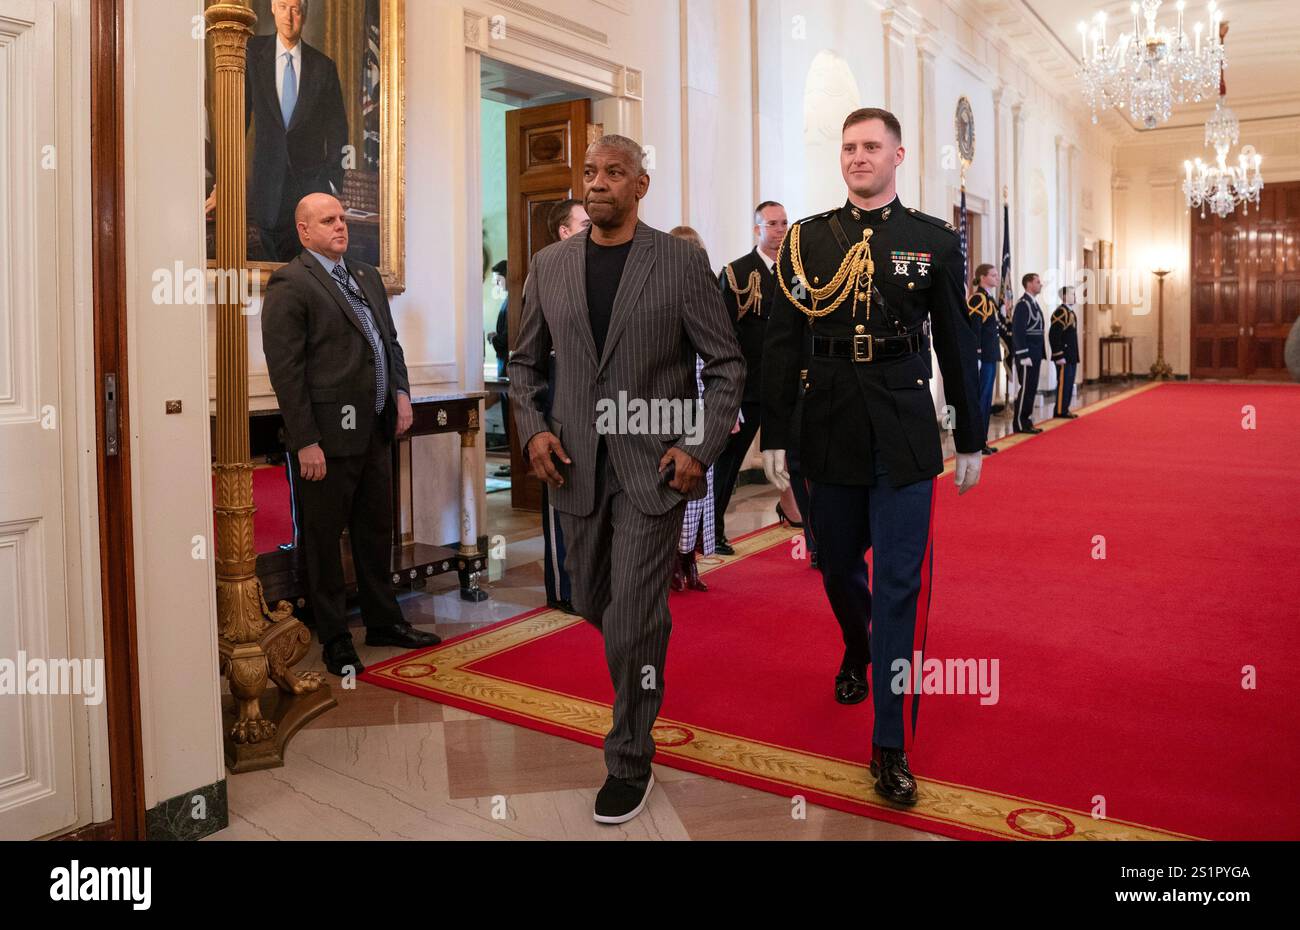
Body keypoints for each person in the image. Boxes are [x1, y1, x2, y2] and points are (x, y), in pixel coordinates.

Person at [509, 135, 743, 824]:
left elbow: (726, 364)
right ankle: (643, 636)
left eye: (614, 173)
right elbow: (523, 366)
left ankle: (629, 757)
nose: (598, 183)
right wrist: (535, 430)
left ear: (640, 186)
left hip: (653, 469)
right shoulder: (550, 266)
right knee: (596, 605)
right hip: (575, 467)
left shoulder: (678, 261)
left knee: (635, 615)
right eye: (589, 173)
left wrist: (698, 447)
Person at [761, 107, 983, 806]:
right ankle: (858, 647)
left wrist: (971, 435)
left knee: (898, 586)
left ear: (898, 156)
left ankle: (889, 744)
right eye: (849, 147)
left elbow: (958, 343)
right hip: (826, 422)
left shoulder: (933, 241)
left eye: (871, 147)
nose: (858, 157)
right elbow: (780, 342)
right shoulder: (804, 242)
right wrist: (774, 432)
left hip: (904, 425)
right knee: (833, 565)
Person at [261, 193, 440, 676]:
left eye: (342, 218)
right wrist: (305, 441)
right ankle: (336, 636)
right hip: (325, 439)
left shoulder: (365, 276)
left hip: (374, 430)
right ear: (303, 230)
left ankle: (384, 621)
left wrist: (401, 394)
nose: (341, 226)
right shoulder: (291, 282)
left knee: (375, 530)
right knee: (321, 541)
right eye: (328, 220)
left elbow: (389, 342)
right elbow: (287, 371)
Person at [241, 0, 349, 263]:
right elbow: (237, 119)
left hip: (311, 191)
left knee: (310, 274)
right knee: (270, 278)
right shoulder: (251, 54)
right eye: (282, 6)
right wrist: (225, 180)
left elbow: (338, 130)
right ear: (272, 8)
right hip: (266, 191)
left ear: (305, 13)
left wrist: (332, 181)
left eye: (296, 9)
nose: (288, 16)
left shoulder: (324, 67)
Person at [713, 202, 787, 555]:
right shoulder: (736, 273)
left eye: (784, 223)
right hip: (748, 388)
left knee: (801, 462)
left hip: (787, 386)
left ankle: (809, 529)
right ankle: (712, 531)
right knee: (727, 463)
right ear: (757, 229)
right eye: (772, 224)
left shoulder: (798, 272)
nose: (780, 230)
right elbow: (722, 334)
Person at [667, 225, 733, 593]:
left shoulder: (711, 290)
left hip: (705, 402)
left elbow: (724, 358)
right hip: (670, 405)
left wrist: (729, 414)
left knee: (701, 492)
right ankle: (673, 562)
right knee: (677, 488)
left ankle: (691, 560)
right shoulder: (660, 289)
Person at [539, 199, 591, 614]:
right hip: (559, 405)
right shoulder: (545, 271)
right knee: (562, 499)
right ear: (565, 231)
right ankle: (564, 589)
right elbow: (533, 353)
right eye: (585, 222)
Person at [966, 263, 1002, 455]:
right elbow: (975, 328)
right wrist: (977, 354)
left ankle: (982, 440)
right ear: (982, 277)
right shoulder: (979, 298)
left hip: (990, 354)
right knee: (982, 399)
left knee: (986, 399)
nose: (997, 278)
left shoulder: (988, 298)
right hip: (983, 356)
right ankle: (978, 442)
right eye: (993, 275)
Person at [1012, 273, 1047, 434]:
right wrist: (1023, 354)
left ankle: (1027, 420)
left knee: (1031, 388)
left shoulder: (1033, 303)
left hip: (1035, 354)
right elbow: (1018, 331)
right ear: (1028, 284)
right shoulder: (1023, 304)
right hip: (1027, 355)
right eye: (1037, 282)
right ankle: (1019, 422)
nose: (1041, 284)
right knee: (1025, 388)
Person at [1050, 285, 1081, 419]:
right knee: (1063, 383)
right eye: (1072, 294)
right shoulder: (1061, 312)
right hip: (1064, 355)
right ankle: (1060, 410)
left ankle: (1064, 408)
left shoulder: (1070, 312)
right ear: (1064, 297)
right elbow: (1054, 335)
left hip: (1071, 355)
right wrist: (1059, 354)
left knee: (1069, 382)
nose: (1075, 297)